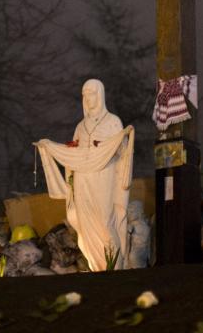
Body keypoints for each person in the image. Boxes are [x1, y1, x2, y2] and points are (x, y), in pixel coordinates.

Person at [35, 79, 135, 271]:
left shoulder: (113, 121)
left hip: (103, 177)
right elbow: (75, 152)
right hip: (83, 179)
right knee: (84, 222)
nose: (89, 99)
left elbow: (120, 151)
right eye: (85, 95)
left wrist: (119, 140)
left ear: (100, 95)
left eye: (92, 94)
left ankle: (115, 265)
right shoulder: (80, 126)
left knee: (105, 221)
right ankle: (96, 265)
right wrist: (50, 147)